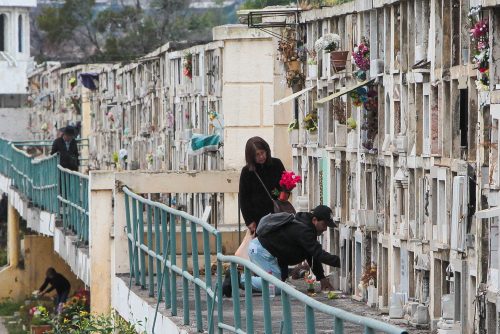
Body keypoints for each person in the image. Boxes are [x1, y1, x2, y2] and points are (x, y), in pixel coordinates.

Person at [241, 205, 340, 294]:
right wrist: (343, 263)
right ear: (314, 220)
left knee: (277, 285)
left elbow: (311, 255)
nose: (325, 229)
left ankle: (241, 282)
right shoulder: (304, 231)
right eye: (324, 225)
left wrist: (322, 278)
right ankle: (237, 279)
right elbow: (318, 254)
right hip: (261, 251)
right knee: (275, 286)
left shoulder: (306, 228)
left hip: (262, 251)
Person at [239, 136, 285, 236]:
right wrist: (249, 221)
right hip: (258, 220)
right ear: (251, 156)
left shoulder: (277, 164)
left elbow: (284, 186)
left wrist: (282, 194)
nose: (261, 157)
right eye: (257, 155)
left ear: (267, 151)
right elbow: (243, 198)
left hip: (277, 215)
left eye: (262, 153)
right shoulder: (247, 172)